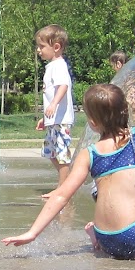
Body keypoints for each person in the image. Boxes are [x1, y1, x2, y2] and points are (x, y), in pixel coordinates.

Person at [4, 83, 135, 260]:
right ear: (125, 110)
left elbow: (61, 196)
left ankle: (95, 232)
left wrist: (32, 233)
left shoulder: (89, 153)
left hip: (106, 240)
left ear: (93, 123)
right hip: (133, 238)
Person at [34, 24, 75, 189]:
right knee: (50, 152)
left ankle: (63, 187)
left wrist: (53, 104)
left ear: (56, 47)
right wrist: (45, 118)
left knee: (61, 152)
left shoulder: (59, 65)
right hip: (54, 119)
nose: (38, 50)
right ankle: (68, 179)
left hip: (61, 119)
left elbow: (63, 86)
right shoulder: (51, 66)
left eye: (42, 46)